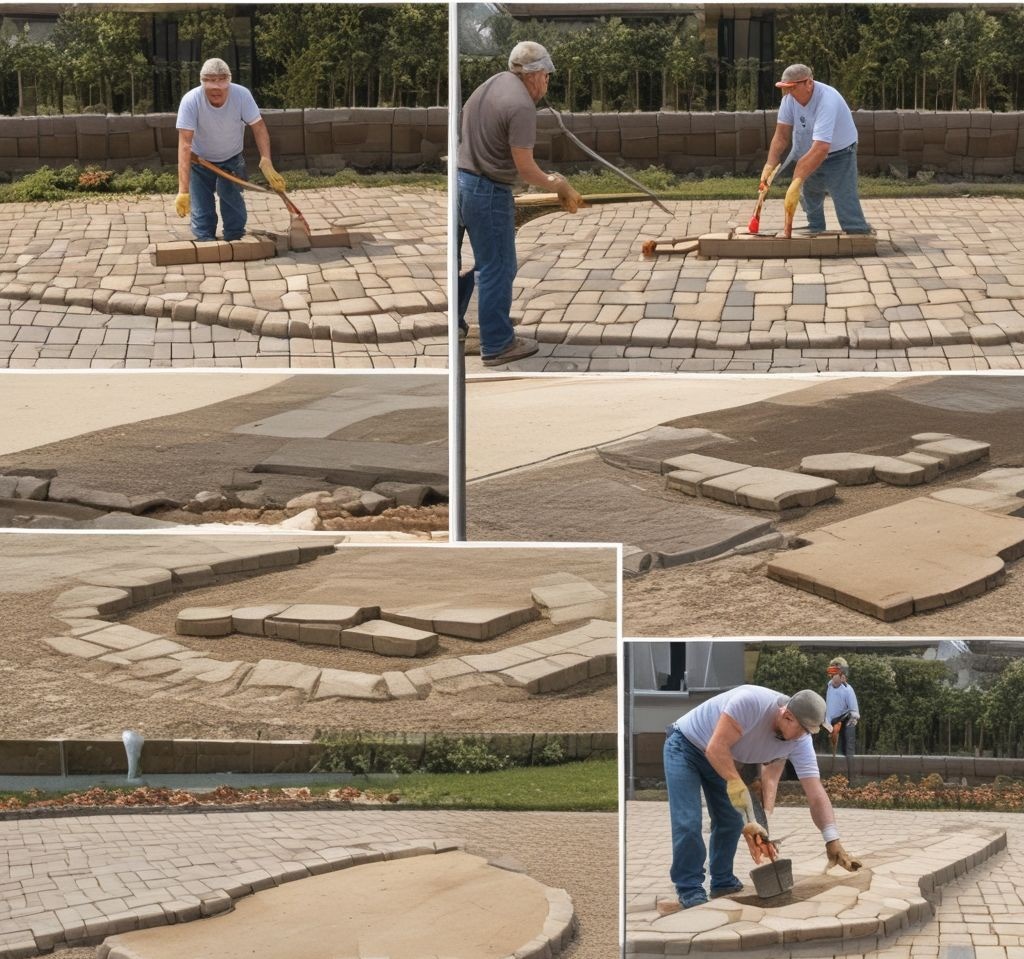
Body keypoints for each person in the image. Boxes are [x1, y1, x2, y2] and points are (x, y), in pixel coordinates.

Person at [663, 684, 861, 909]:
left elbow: (815, 794)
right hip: (686, 745)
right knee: (688, 821)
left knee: (731, 820)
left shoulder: (800, 741)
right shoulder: (750, 702)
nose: (805, 736)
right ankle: (689, 888)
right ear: (787, 716)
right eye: (804, 729)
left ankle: (722, 881)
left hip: (719, 754)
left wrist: (832, 840)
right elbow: (715, 748)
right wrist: (744, 803)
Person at [457, 41, 583, 366]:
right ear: (533, 74)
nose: (547, 83)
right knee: (498, 267)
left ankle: (463, 330)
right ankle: (497, 344)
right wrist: (558, 184)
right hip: (488, 192)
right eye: (546, 76)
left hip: (462, 182)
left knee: (478, 264)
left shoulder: (492, 84)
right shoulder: (521, 106)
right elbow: (526, 167)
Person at [175, 58, 287, 242]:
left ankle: (235, 240)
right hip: (200, 161)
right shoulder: (191, 101)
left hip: (232, 160)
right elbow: (185, 145)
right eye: (211, 86)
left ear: (229, 82)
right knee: (201, 209)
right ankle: (205, 242)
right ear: (203, 84)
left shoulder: (241, 95)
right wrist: (183, 190)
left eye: (221, 85)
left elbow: (259, 127)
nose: (216, 91)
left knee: (232, 202)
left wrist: (266, 160)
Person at [760, 63, 872, 235]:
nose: (788, 93)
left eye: (792, 87)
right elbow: (781, 136)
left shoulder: (827, 100)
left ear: (809, 83)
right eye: (785, 88)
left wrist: (797, 179)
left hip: (840, 152)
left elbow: (821, 147)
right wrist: (769, 165)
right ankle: (815, 226)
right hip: (810, 150)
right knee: (810, 193)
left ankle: (857, 232)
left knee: (843, 195)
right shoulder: (789, 100)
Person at [824, 656, 860, 783]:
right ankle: (833, 779)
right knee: (831, 751)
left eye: (837, 673)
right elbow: (829, 706)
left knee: (848, 751)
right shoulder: (829, 687)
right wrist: (827, 723)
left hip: (846, 722)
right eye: (832, 673)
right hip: (831, 723)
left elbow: (854, 711)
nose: (834, 676)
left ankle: (851, 780)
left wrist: (850, 722)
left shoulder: (848, 690)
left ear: (843, 675)